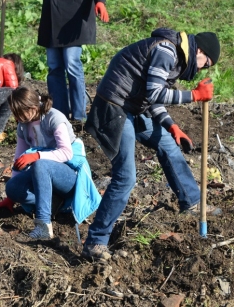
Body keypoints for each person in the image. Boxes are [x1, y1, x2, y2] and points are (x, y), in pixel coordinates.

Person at [81, 27, 221, 260]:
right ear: (200, 51)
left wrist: (171, 126)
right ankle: (96, 241)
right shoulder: (167, 52)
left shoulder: (176, 58)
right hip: (115, 107)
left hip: (134, 107)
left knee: (167, 143)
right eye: (206, 63)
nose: (202, 69)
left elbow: (150, 99)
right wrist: (194, 96)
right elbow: (156, 93)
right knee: (125, 177)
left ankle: (192, 202)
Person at [0, 87, 100, 240]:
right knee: (12, 187)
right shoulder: (23, 126)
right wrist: (11, 198)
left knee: (41, 164)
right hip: (43, 177)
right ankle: (54, 202)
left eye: (19, 113)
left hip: (68, 178)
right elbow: (19, 159)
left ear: (32, 108)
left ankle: (44, 225)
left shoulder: (54, 118)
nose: (16, 118)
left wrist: (37, 155)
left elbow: (66, 153)